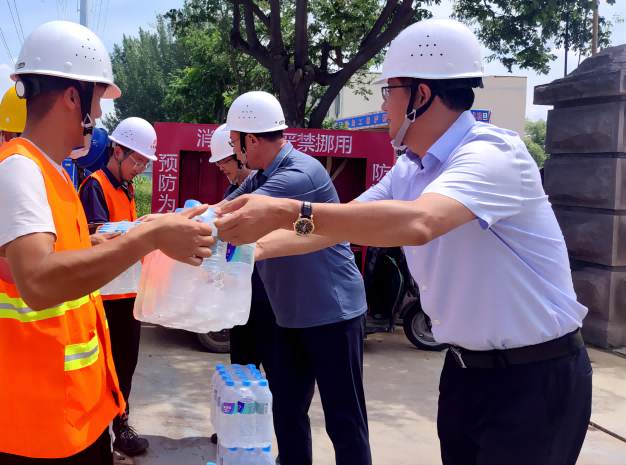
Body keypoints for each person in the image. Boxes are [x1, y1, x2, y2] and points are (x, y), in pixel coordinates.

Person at [215, 18, 592, 465]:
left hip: (533, 378)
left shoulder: (492, 154)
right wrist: (248, 250)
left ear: (421, 94)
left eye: (387, 89)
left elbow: (420, 223)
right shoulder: (410, 168)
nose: (384, 103)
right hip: (463, 371)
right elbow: (339, 224)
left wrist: (284, 211)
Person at [0, 21, 214, 465]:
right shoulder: (20, 172)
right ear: (72, 97)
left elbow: (66, 258)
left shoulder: (53, 174)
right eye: (98, 101)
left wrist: (137, 230)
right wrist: (149, 237)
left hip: (65, 409)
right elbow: (39, 281)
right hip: (36, 419)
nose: (99, 116)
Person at [219, 92, 371, 465]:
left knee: (344, 422)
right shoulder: (262, 176)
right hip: (289, 316)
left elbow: (233, 217)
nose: (237, 153)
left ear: (250, 140)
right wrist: (158, 222)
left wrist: (156, 235)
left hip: (333, 314)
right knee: (286, 411)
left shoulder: (297, 175)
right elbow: (223, 207)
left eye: (235, 142)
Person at [77, 117, 157, 456]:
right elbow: (98, 235)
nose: (139, 168)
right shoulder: (94, 186)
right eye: (136, 160)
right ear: (118, 151)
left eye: (144, 162)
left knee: (125, 364)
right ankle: (99, 435)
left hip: (127, 294)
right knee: (101, 369)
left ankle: (120, 426)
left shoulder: (124, 188)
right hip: (105, 294)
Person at [207, 125, 277, 445]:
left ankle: (258, 433)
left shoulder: (264, 188)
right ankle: (236, 428)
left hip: (266, 298)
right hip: (241, 297)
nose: (220, 167)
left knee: (272, 374)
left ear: (242, 154)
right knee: (240, 367)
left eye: (224, 161)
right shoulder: (232, 193)